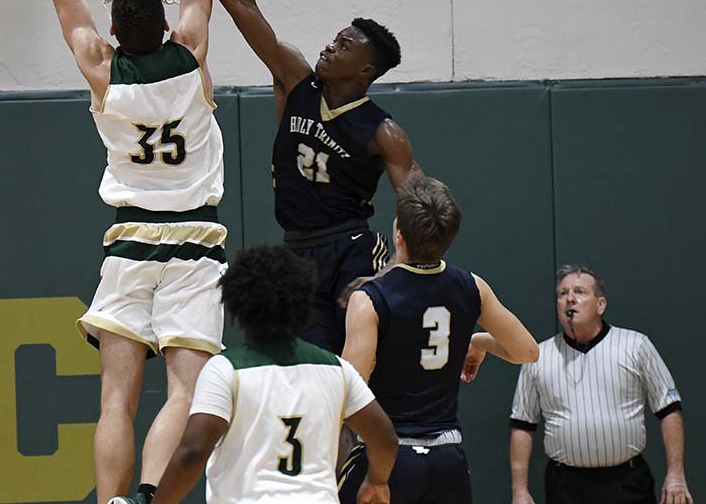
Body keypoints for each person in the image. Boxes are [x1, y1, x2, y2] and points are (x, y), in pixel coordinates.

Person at [156, 0, 418, 356]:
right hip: (298, 249)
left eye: (344, 45)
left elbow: (425, 213)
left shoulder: (383, 131)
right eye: (334, 38)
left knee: (356, 370)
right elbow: (241, 4)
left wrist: (392, 272)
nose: (330, 46)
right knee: (304, 370)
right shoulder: (296, 78)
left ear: (365, 71)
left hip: (351, 248)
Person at [45, 0, 224, 504]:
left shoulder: (101, 69)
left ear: (114, 33)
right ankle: (149, 493)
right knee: (184, 391)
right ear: (169, 25)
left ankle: (111, 501)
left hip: (129, 243)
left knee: (115, 400)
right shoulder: (193, 53)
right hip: (195, 244)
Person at [115, 245, 398, 504]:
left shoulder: (225, 370)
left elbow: (193, 452)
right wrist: (377, 481)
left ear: (237, 303)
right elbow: (384, 437)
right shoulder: (336, 369)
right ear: (303, 302)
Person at [339, 174, 539, 504]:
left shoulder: (369, 299)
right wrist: (479, 342)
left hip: (388, 459)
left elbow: (348, 395)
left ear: (399, 233)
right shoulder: (472, 286)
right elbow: (527, 352)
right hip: (448, 463)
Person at [508, 264, 693, 504]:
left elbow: (669, 409)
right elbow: (522, 424)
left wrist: (676, 474)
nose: (570, 299)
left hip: (627, 483)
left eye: (579, 292)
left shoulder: (636, 346)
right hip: (565, 487)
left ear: (600, 305)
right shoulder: (537, 357)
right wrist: (519, 491)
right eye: (563, 294)